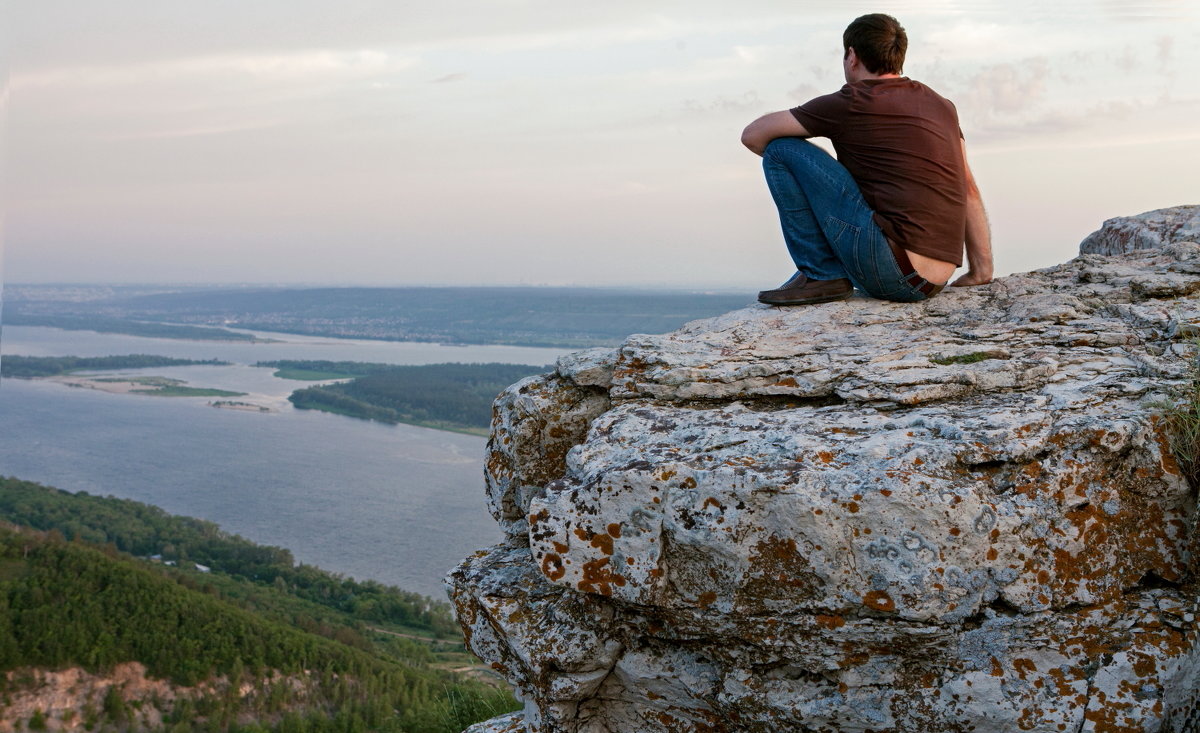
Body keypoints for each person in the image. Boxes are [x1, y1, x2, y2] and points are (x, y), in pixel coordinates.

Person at [741, 13, 993, 306]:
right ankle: (821, 273)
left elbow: (753, 135)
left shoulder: (852, 101)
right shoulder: (942, 105)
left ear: (852, 56)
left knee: (781, 151)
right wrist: (981, 269)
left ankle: (820, 273)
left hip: (893, 272)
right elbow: (968, 187)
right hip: (935, 281)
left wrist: (811, 182)